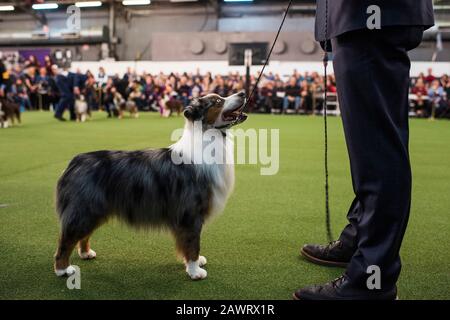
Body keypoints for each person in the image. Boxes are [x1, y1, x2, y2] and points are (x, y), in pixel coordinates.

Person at [294, 0, 434, 300]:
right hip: (356, 19)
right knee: (370, 151)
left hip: (369, 14)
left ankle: (372, 279)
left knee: (378, 152)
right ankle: (360, 240)